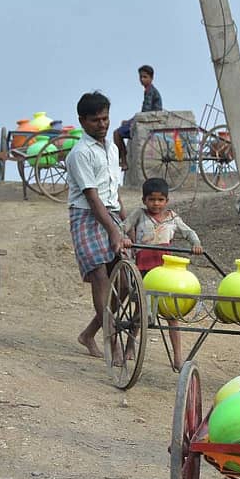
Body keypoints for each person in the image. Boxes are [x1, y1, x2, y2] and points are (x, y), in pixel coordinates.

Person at [66, 91, 126, 359]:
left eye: (105, 118)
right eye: (95, 120)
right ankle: (112, 341)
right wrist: (113, 231)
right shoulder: (80, 153)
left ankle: (89, 333)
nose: (102, 124)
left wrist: (126, 223)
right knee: (100, 276)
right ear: (82, 121)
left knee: (124, 281)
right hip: (86, 216)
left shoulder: (112, 149)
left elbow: (115, 191)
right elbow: (92, 197)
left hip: (110, 214)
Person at [122, 177, 203, 369]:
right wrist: (125, 238)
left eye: (160, 200)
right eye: (151, 200)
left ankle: (177, 358)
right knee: (140, 312)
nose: (156, 204)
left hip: (165, 271)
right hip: (143, 268)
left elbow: (189, 233)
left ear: (167, 201)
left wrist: (196, 244)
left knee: (171, 314)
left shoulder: (173, 218)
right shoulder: (139, 215)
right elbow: (122, 227)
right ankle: (130, 348)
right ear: (144, 200)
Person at [113, 64, 163, 170]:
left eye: (145, 77)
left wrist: (132, 121)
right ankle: (122, 157)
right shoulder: (148, 90)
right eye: (140, 77)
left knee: (117, 133)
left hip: (150, 119)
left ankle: (123, 160)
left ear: (151, 78)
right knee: (122, 125)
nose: (142, 79)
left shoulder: (151, 91)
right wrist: (130, 120)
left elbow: (146, 111)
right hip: (148, 117)